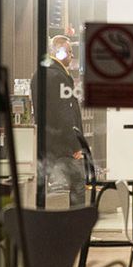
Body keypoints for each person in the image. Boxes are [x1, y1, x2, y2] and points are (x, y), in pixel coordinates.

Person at [31, 35, 85, 207]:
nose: (72, 56)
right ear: (59, 52)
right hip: (63, 146)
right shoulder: (59, 77)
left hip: (46, 142)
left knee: (50, 189)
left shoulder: (38, 74)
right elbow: (65, 114)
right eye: (69, 51)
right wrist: (76, 145)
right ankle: (77, 222)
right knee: (77, 185)